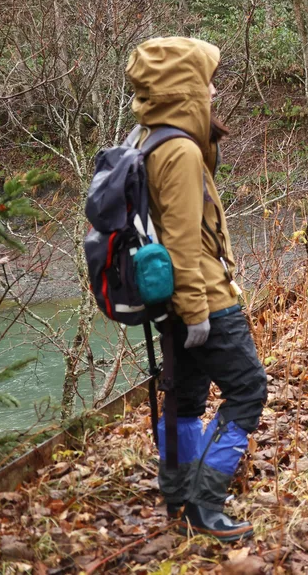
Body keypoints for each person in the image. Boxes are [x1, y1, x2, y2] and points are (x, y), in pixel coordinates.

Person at [125, 37, 267, 542]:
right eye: (204, 80)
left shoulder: (151, 139)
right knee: (248, 390)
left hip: (174, 301)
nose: (212, 88)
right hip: (204, 297)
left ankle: (179, 498)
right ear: (183, 88)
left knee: (184, 400)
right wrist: (199, 313)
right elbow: (184, 242)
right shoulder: (180, 150)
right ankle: (204, 506)